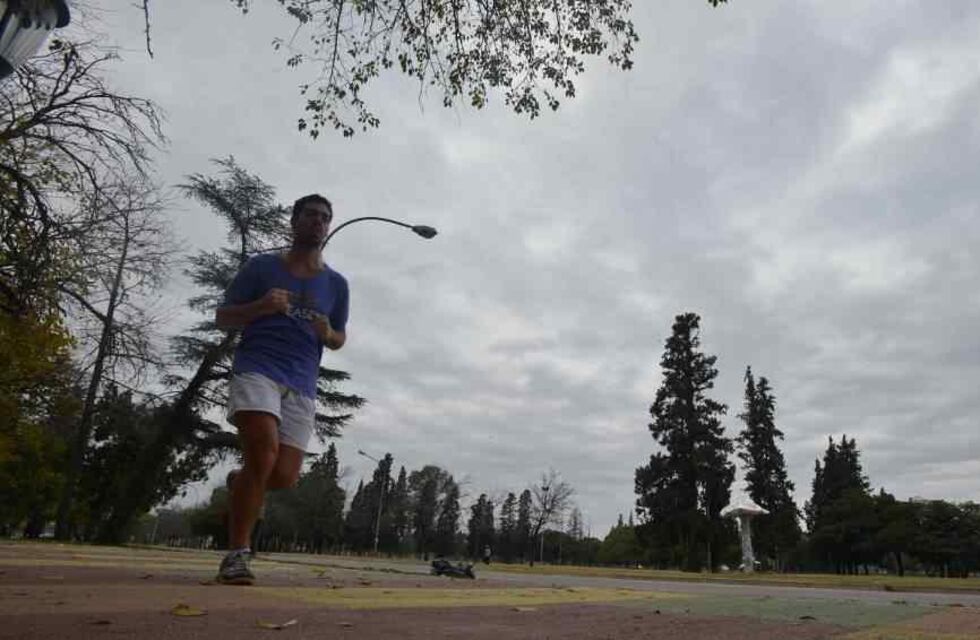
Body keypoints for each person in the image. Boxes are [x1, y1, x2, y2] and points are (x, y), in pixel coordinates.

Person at [214, 193, 349, 585]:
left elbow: (339, 337)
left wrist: (328, 333)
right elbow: (223, 317)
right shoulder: (260, 268)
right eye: (311, 215)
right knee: (263, 450)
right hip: (257, 368)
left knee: (284, 475)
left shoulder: (337, 284)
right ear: (294, 221)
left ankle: (241, 484)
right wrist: (259, 307)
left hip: (303, 382)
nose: (318, 222)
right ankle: (237, 555)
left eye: (325, 217)